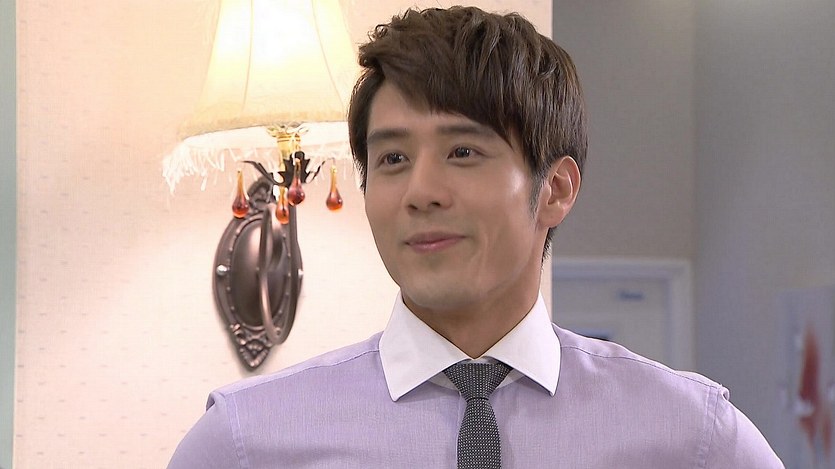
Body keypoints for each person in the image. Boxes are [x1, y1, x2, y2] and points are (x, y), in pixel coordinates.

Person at [168, 6, 784, 468]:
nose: (420, 191)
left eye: (463, 152)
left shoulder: (693, 438)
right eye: (392, 159)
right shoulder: (246, 443)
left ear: (556, 189)